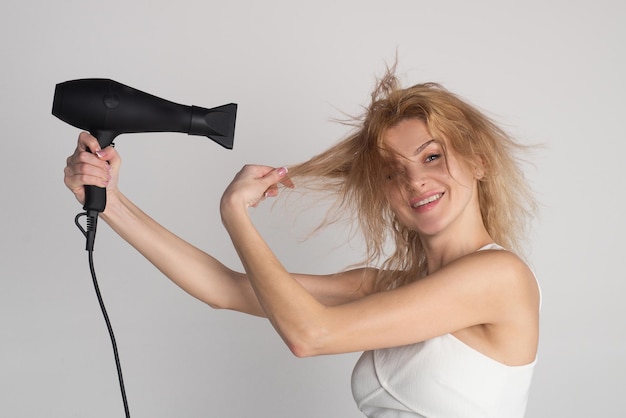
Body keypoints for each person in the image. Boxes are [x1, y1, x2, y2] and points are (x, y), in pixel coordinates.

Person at [64, 65, 540, 418]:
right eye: (394, 171)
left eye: (432, 157)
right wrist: (112, 205)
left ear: (477, 162)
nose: (414, 180)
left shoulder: (498, 277)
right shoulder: (386, 287)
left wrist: (235, 216)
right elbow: (225, 289)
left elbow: (311, 334)